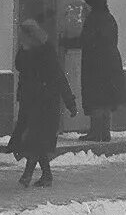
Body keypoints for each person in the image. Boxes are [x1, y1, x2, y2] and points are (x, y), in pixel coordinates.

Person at [7, 18, 77, 187]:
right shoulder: (25, 50)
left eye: (23, 35)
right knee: (36, 141)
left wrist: (70, 102)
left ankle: (27, 175)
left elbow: (59, 77)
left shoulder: (46, 51)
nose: (20, 38)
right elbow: (20, 66)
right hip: (29, 101)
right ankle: (46, 175)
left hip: (45, 102)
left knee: (36, 140)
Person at [79, 0, 126, 142]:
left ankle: (95, 132)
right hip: (111, 63)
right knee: (106, 100)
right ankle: (104, 132)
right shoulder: (109, 17)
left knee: (96, 98)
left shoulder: (93, 19)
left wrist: (66, 41)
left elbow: (87, 41)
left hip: (96, 65)